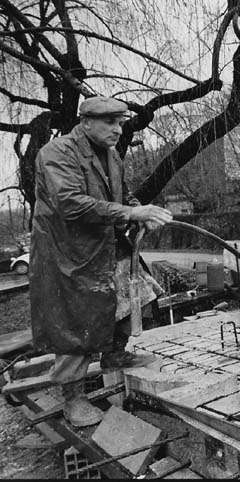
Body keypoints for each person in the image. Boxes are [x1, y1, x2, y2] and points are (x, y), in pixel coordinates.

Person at [29, 96, 173, 427]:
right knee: (73, 324)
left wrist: (138, 212)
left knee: (136, 292)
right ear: (86, 122)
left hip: (103, 244)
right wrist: (129, 212)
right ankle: (74, 400)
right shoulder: (56, 153)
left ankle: (114, 354)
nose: (117, 130)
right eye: (110, 123)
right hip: (66, 253)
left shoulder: (111, 157)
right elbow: (70, 203)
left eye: (120, 123)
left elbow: (121, 197)